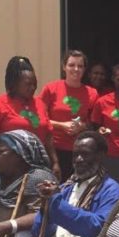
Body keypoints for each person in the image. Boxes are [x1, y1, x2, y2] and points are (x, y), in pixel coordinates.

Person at [0, 56, 58, 176]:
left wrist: (55, 162)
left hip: (38, 170)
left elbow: (48, 137)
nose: (33, 88)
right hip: (9, 171)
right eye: (28, 84)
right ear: (14, 84)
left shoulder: (40, 104)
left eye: (34, 84)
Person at [39, 49, 98, 178]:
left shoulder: (92, 93)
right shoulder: (51, 89)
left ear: (84, 69)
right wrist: (62, 125)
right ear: (64, 67)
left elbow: (94, 124)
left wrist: (82, 126)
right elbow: (40, 118)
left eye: (80, 66)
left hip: (80, 151)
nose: (76, 69)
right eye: (71, 65)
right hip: (53, 149)